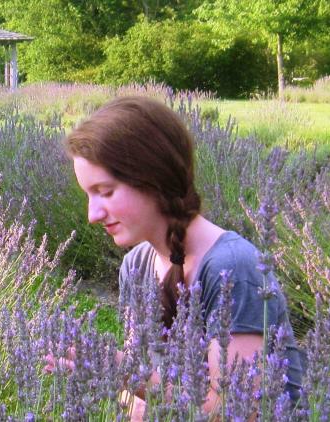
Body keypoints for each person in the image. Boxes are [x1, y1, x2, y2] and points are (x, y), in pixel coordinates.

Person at [45, 96, 303, 419]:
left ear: (154, 179)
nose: (92, 215)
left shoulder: (233, 269)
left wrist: (121, 371)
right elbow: (140, 390)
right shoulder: (136, 266)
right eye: (88, 194)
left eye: (106, 192)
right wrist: (115, 384)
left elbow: (237, 412)